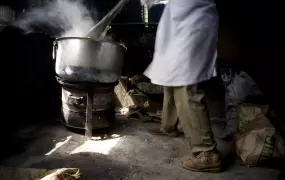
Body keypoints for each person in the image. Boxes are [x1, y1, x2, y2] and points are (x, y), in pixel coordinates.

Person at [144, 0, 221, 172]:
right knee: (171, 77)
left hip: (192, 24)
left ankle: (207, 152)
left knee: (185, 85)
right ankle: (168, 126)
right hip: (181, 23)